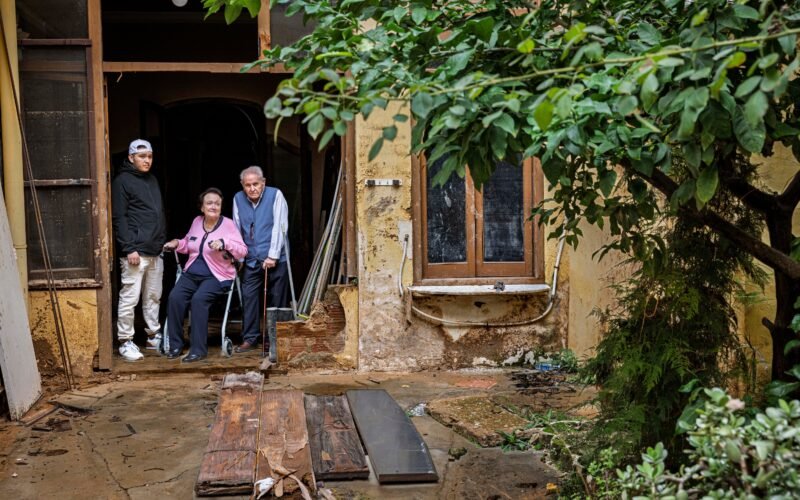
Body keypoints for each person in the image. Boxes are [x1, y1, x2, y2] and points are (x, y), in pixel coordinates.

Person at [162, 188, 247, 363]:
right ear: (202, 207)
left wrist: (225, 243)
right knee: (175, 297)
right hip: (192, 274)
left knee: (198, 300)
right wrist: (177, 243)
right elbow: (189, 243)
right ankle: (176, 345)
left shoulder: (228, 225)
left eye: (217, 203)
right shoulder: (196, 221)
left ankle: (198, 350)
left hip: (218, 276)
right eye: (209, 203)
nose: (213, 206)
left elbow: (242, 251)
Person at [112, 139, 166, 362]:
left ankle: (153, 336)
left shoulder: (152, 179)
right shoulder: (122, 181)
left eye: (150, 156)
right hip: (135, 252)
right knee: (130, 297)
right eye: (142, 156)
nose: (147, 160)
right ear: (131, 157)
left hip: (155, 250)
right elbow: (119, 217)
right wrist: (128, 247)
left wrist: (161, 243)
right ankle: (125, 341)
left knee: (153, 297)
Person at [232, 166, 289, 353]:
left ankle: (274, 338)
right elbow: (237, 229)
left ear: (263, 183)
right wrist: (239, 257)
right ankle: (250, 338)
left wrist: (272, 255)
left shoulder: (275, 195)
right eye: (247, 185)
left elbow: (280, 226)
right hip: (251, 259)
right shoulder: (238, 199)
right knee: (249, 298)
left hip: (275, 258)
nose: (252, 188)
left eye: (256, 184)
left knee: (276, 298)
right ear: (242, 185)